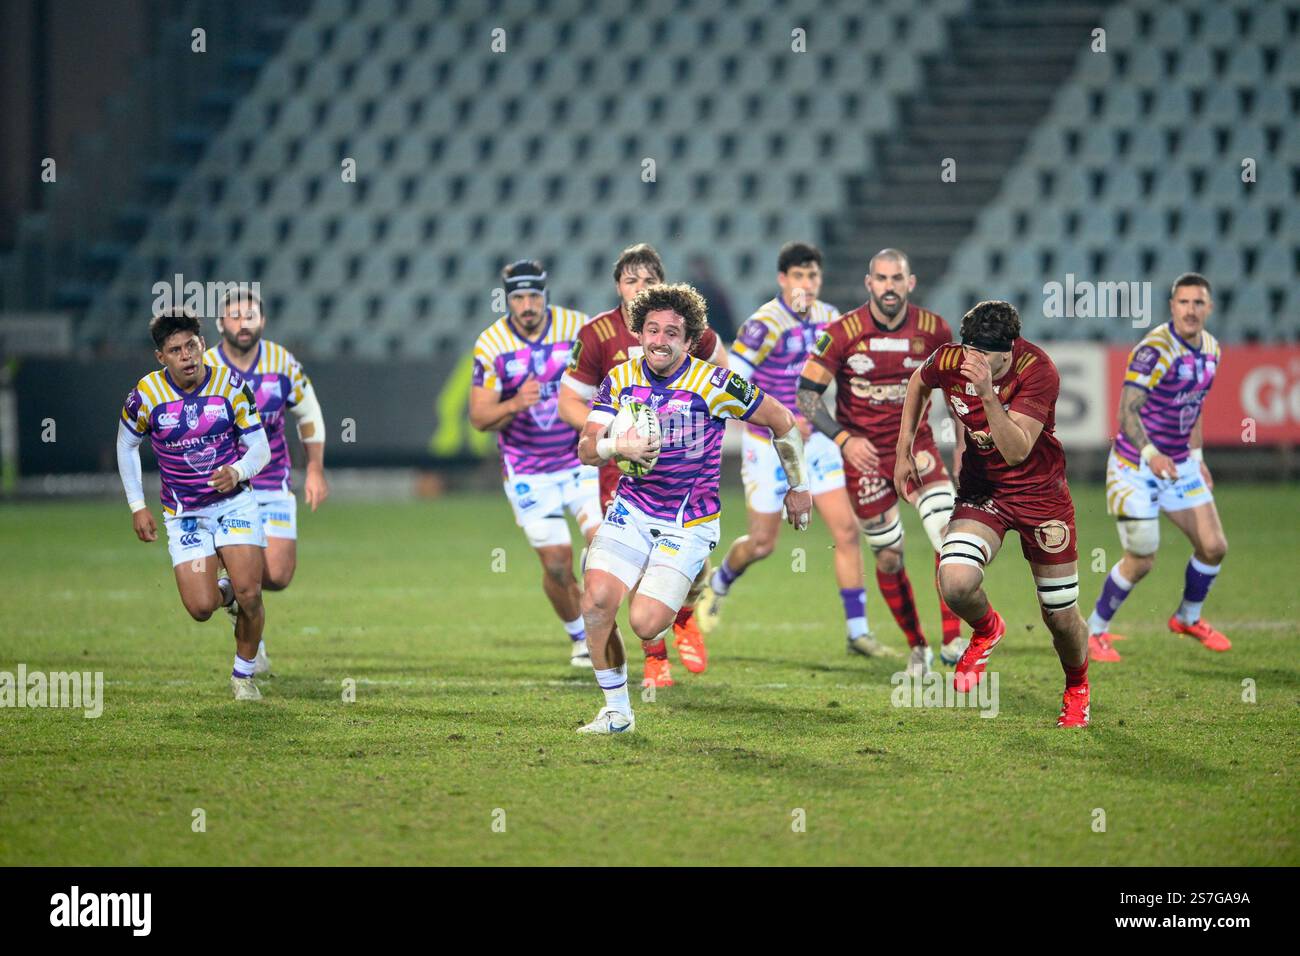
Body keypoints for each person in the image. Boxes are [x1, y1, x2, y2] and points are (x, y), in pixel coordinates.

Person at [574, 283, 812, 734]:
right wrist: (616, 445)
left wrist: (798, 487)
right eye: (651, 330)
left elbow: (781, 420)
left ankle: (685, 603)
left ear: (689, 340)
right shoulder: (620, 379)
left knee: (645, 623)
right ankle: (617, 713)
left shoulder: (715, 383)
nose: (660, 340)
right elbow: (587, 448)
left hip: (689, 521)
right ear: (639, 333)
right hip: (632, 509)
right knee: (597, 602)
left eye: (672, 333)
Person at [896, 300, 1091, 727]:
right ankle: (987, 630)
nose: (975, 362)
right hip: (984, 492)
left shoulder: (1038, 370)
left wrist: (986, 394)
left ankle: (1077, 687)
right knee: (955, 582)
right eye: (971, 351)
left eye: (985, 355)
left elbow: (1016, 450)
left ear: (1010, 350)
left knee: (1060, 617)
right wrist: (903, 447)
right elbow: (918, 381)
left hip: (1040, 497)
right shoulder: (952, 358)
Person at [558, 243, 725, 686]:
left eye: (648, 281)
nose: (639, 288)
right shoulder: (596, 334)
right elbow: (568, 401)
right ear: (618, 286)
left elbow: (724, 376)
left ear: (661, 285)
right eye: (630, 280)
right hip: (620, 469)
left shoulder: (685, 328)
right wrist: (613, 433)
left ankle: (684, 612)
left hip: (684, 475)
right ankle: (655, 656)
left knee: (690, 564)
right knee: (626, 564)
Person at [794, 249, 964, 675]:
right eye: (882, 278)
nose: (889, 286)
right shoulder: (842, 332)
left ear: (910, 283)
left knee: (949, 538)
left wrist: (963, 446)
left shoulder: (934, 329)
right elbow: (806, 395)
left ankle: (953, 639)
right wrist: (843, 438)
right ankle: (918, 646)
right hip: (865, 458)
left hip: (917, 449)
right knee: (889, 557)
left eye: (897, 278)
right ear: (869, 283)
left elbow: (958, 392)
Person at [698, 242, 867, 658]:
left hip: (818, 445)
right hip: (769, 446)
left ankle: (858, 632)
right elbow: (734, 382)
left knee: (847, 531)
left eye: (813, 275)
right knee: (762, 544)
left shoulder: (830, 318)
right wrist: (784, 420)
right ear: (782, 279)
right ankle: (719, 582)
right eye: (798, 276)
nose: (806, 283)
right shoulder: (764, 324)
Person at [116, 308, 271, 700]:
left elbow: (260, 447)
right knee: (201, 607)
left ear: (202, 344)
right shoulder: (146, 395)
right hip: (186, 515)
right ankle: (226, 595)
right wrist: (137, 505)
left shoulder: (230, 385)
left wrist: (238, 471)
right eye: (176, 350)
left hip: (234, 505)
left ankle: (243, 677)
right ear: (161, 357)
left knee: (252, 593)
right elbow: (126, 445)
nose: (186, 356)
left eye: (191, 346)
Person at [1087, 273, 1228, 660]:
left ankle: (1187, 617)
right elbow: (1126, 412)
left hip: (1180, 465)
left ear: (1209, 307)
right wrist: (1152, 454)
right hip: (1136, 466)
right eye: (1183, 302)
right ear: (1172, 306)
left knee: (1214, 547)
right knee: (1142, 559)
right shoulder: (1154, 350)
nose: (1190, 310)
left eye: (1198, 303)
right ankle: (1094, 630)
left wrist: (1197, 460)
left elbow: (1194, 406)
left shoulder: (1212, 350)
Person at [468, 260, 598, 667]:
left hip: (580, 459)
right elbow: (479, 418)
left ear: (546, 296)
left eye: (534, 297)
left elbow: (607, 374)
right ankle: (579, 637)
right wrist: (514, 404)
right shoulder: (491, 344)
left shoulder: (578, 328)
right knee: (557, 566)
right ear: (507, 300)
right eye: (519, 298)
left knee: (600, 541)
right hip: (527, 469)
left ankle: (601, 616)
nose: (527, 306)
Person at [205, 290, 329, 674]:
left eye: (251, 315)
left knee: (278, 575)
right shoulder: (206, 366)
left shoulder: (282, 362)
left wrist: (314, 468)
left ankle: (233, 594)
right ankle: (250, 644)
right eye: (235, 316)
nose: (243, 323)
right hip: (225, 488)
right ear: (220, 323)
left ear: (263, 321)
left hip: (273, 481)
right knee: (246, 579)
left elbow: (309, 414)